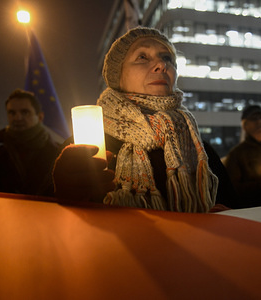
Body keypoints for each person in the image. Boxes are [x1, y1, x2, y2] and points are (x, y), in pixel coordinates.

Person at [53, 27, 237, 212]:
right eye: (142, 57)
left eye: (167, 59)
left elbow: (234, 207)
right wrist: (64, 195)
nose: (161, 65)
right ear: (118, 76)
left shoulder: (200, 151)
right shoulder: (84, 147)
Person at [0, 89, 59, 196]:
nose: (17, 118)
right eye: (12, 113)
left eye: (25, 112)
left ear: (40, 117)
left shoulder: (59, 155)